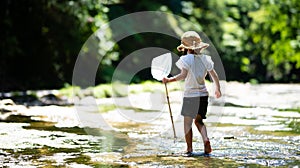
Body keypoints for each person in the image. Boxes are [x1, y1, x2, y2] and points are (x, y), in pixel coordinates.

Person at [162, 31, 222, 155]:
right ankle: (206, 139)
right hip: (203, 95)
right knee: (199, 121)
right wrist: (217, 89)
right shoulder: (206, 59)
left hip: (190, 96)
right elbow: (214, 75)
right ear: (199, 47)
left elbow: (183, 75)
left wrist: (169, 80)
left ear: (185, 48)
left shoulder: (185, 59)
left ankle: (189, 149)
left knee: (187, 123)